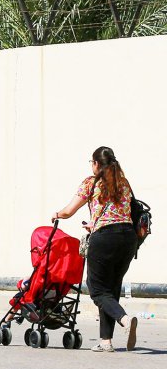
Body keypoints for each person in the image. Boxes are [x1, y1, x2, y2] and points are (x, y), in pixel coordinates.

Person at [52, 146, 139, 352]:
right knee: (112, 289)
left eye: (91, 162)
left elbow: (69, 211)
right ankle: (106, 341)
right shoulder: (123, 183)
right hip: (127, 238)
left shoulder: (91, 183)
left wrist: (56, 214)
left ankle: (125, 319)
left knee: (97, 289)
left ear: (97, 164)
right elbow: (123, 212)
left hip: (105, 239)